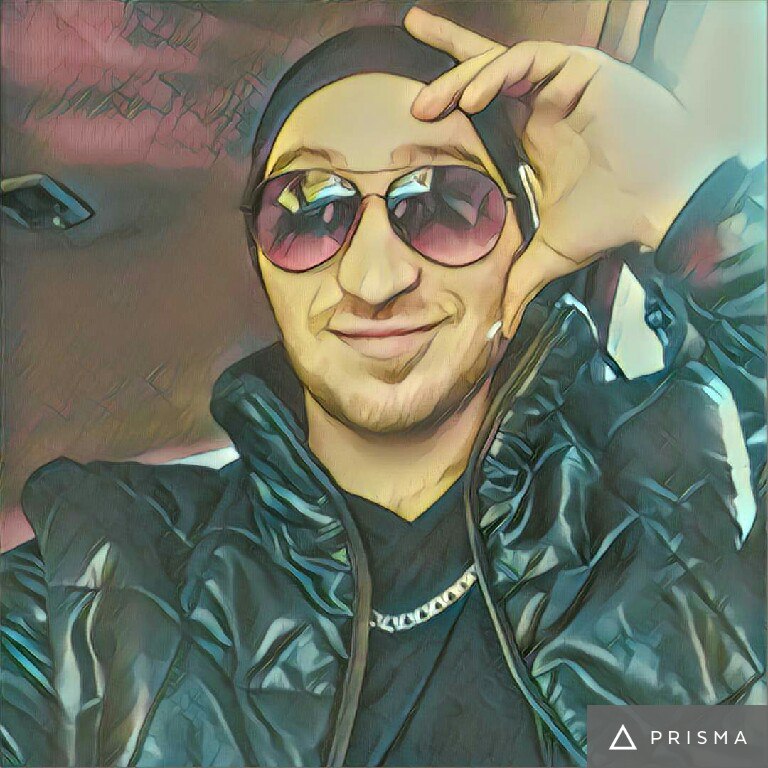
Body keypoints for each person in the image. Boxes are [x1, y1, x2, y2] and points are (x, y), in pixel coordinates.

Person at [1, 8, 765, 767]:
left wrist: (699, 204)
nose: (375, 279)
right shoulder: (96, 575)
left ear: (523, 239)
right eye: (311, 211)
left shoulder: (685, 502)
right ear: (263, 263)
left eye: (444, 204)